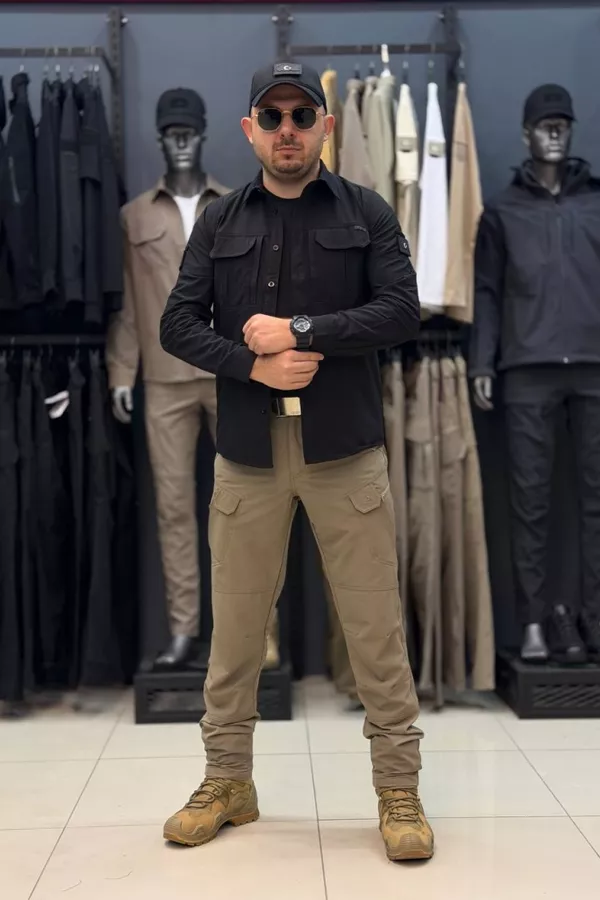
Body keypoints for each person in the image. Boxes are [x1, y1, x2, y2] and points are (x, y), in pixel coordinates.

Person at [159, 60, 433, 862]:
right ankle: (227, 781)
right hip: (247, 454)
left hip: (345, 450)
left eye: (301, 116)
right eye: (272, 118)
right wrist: (253, 366)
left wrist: (304, 332)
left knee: (375, 629)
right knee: (238, 629)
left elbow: (401, 311)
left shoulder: (366, 211)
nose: (288, 131)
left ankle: (398, 789)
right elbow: (178, 324)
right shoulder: (220, 220)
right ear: (251, 130)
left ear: (325, 126)